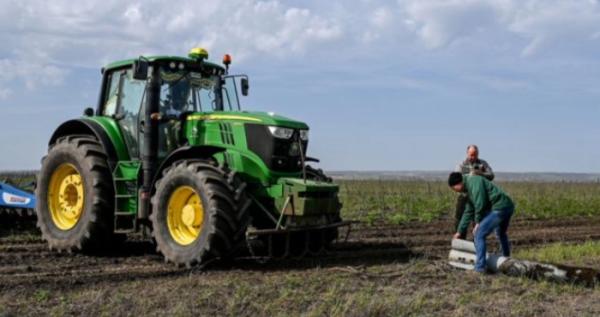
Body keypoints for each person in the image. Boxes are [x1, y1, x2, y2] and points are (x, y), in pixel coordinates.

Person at [448, 172, 515, 273]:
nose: (455, 191)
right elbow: (469, 210)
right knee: (501, 233)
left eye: (454, 189)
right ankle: (506, 260)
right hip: (507, 206)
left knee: (479, 235)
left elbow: (480, 203)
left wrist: (478, 222)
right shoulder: (468, 187)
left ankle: (479, 268)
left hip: (499, 207)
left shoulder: (473, 182)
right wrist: (459, 231)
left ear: (458, 184)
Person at [453, 145, 494, 239]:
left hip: (478, 197)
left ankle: (477, 244)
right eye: (471, 155)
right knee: (460, 220)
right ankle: (460, 241)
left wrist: (481, 174)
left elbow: (491, 175)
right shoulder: (461, 164)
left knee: (478, 221)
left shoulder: (483, 164)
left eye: (475, 155)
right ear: (467, 154)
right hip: (464, 196)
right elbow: (456, 180)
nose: (473, 157)